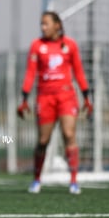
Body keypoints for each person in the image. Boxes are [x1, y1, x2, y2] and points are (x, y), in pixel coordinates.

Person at [17, 11, 93, 195]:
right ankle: (36, 179)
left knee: (69, 134)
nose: (43, 27)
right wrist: (25, 99)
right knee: (43, 141)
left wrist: (86, 97)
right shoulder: (37, 46)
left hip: (67, 96)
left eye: (46, 24)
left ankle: (74, 181)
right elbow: (30, 73)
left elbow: (79, 72)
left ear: (57, 25)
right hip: (45, 97)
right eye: (41, 24)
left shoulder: (70, 45)